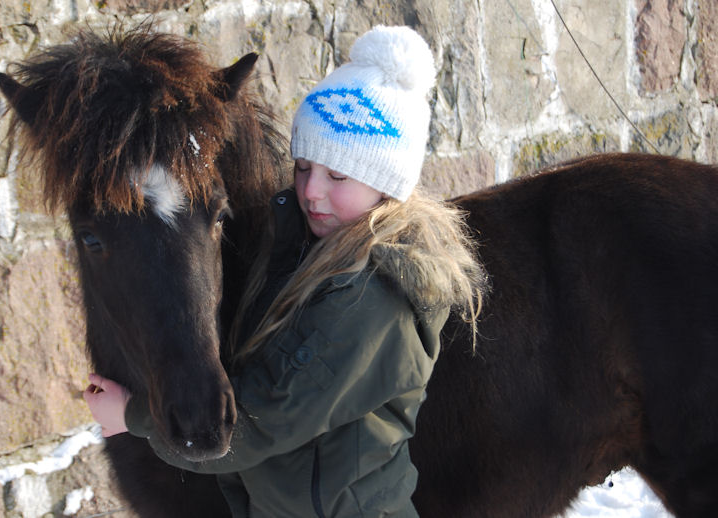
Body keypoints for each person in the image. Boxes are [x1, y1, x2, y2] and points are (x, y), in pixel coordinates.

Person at [84, 25, 484, 517]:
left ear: (387, 185)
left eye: (337, 175)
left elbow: (262, 421)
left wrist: (131, 415)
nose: (311, 191)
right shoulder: (316, 245)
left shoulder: (374, 298)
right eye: (302, 167)